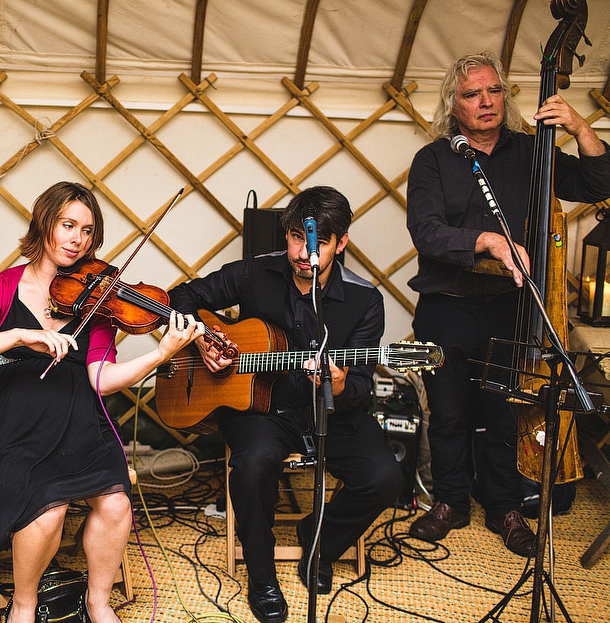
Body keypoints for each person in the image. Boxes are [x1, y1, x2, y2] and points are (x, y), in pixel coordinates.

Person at [0, 181, 203, 623]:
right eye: (67, 225)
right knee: (48, 511)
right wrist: (22, 335)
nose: (77, 239)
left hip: (80, 421)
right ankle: (24, 604)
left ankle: (98, 603)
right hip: (13, 427)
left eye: (87, 230)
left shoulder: (97, 298)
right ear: (45, 225)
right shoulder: (1, 288)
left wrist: (160, 353)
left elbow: (101, 378)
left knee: (116, 503)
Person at [406, 52, 610, 557]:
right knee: (448, 412)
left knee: (501, 413)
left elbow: (597, 183)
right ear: (454, 105)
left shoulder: (530, 152)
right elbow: (426, 231)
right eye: (472, 94)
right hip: (447, 305)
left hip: (508, 305)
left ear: (506, 96)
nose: (486, 102)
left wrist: (581, 126)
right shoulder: (433, 159)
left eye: (494, 90)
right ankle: (450, 502)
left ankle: (504, 507)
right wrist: (490, 241)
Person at [169, 186, 402, 623]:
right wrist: (202, 338)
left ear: (341, 243)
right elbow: (184, 295)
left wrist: (339, 381)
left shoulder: (364, 299)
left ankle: (319, 541)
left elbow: (361, 390)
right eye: (295, 237)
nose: (302, 252)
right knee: (254, 465)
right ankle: (263, 577)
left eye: (316, 242)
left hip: (330, 411)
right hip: (262, 408)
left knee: (385, 477)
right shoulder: (255, 273)